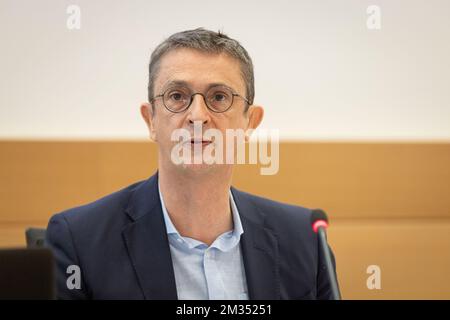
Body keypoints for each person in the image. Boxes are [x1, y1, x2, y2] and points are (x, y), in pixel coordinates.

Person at [46, 28, 338, 300]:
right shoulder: (79, 241)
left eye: (219, 97)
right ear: (151, 120)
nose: (197, 115)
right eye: (177, 96)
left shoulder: (306, 239)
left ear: (250, 122)